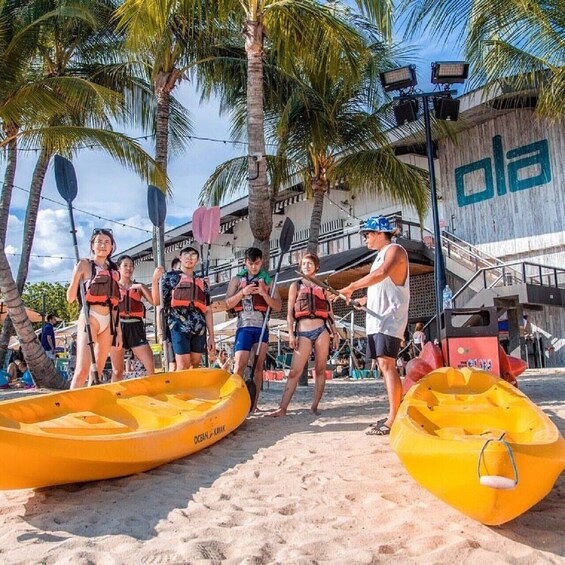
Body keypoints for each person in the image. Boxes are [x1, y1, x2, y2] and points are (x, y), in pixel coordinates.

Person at [334, 216, 409, 436]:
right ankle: (393, 413)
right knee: (384, 366)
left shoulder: (395, 250)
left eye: (367, 234)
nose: (365, 239)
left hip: (390, 319)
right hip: (377, 320)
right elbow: (382, 287)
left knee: (387, 366)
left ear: (378, 233)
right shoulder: (379, 256)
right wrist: (363, 301)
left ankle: (393, 419)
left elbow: (382, 274)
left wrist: (351, 287)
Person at [270, 253, 339, 417]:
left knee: (320, 369)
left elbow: (329, 312)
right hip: (303, 331)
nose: (306, 266)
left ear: (316, 267)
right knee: (295, 371)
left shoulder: (323, 286)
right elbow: (289, 314)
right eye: (304, 264)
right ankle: (282, 408)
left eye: (310, 263)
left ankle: (314, 406)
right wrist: (292, 334)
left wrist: (335, 333)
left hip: (322, 329)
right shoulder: (296, 285)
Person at [224, 247, 282, 411]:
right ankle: (233, 404)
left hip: (261, 327)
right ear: (245, 263)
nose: (254, 267)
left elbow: (277, 305)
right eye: (251, 264)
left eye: (257, 263)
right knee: (239, 364)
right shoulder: (236, 279)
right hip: (244, 326)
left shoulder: (268, 281)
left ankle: (254, 405)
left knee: (258, 366)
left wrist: (264, 294)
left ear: (261, 262)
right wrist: (242, 292)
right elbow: (227, 303)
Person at [66, 228, 122, 388]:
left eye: (107, 242)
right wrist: (76, 274)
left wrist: (118, 331)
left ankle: (91, 405)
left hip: (108, 322)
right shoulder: (84, 265)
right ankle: (73, 409)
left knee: (97, 370)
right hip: (90, 317)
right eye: (99, 241)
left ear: (112, 247)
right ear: (92, 245)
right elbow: (70, 299)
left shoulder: (113, 271)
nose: (103, 245)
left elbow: (115, 304)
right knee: (82, 370)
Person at [151, 246, 215, 370]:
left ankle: (190, 389)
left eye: (193, 255)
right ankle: (179, 389)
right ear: (180, 257)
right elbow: (157, 301)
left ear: (197, 260)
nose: (189, 258)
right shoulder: (169, 277)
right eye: (186, 255)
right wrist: (154, 280)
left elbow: (207, 310)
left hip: (199, 328)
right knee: (182, 365)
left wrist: (211, 336)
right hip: (178, 326)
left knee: (195, 364)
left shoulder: (202, 282)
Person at [110, 255, 155, 381]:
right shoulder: (113, 287)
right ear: (118, 268)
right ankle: (115, 396)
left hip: (135, 326)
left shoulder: (138, 286)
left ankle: (153, 393)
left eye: (131, 266)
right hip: (118, 327)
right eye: (125, 265)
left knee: (150, 366)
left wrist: (141, 287)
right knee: (117, 370)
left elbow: (154, 301)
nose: (128, 268)